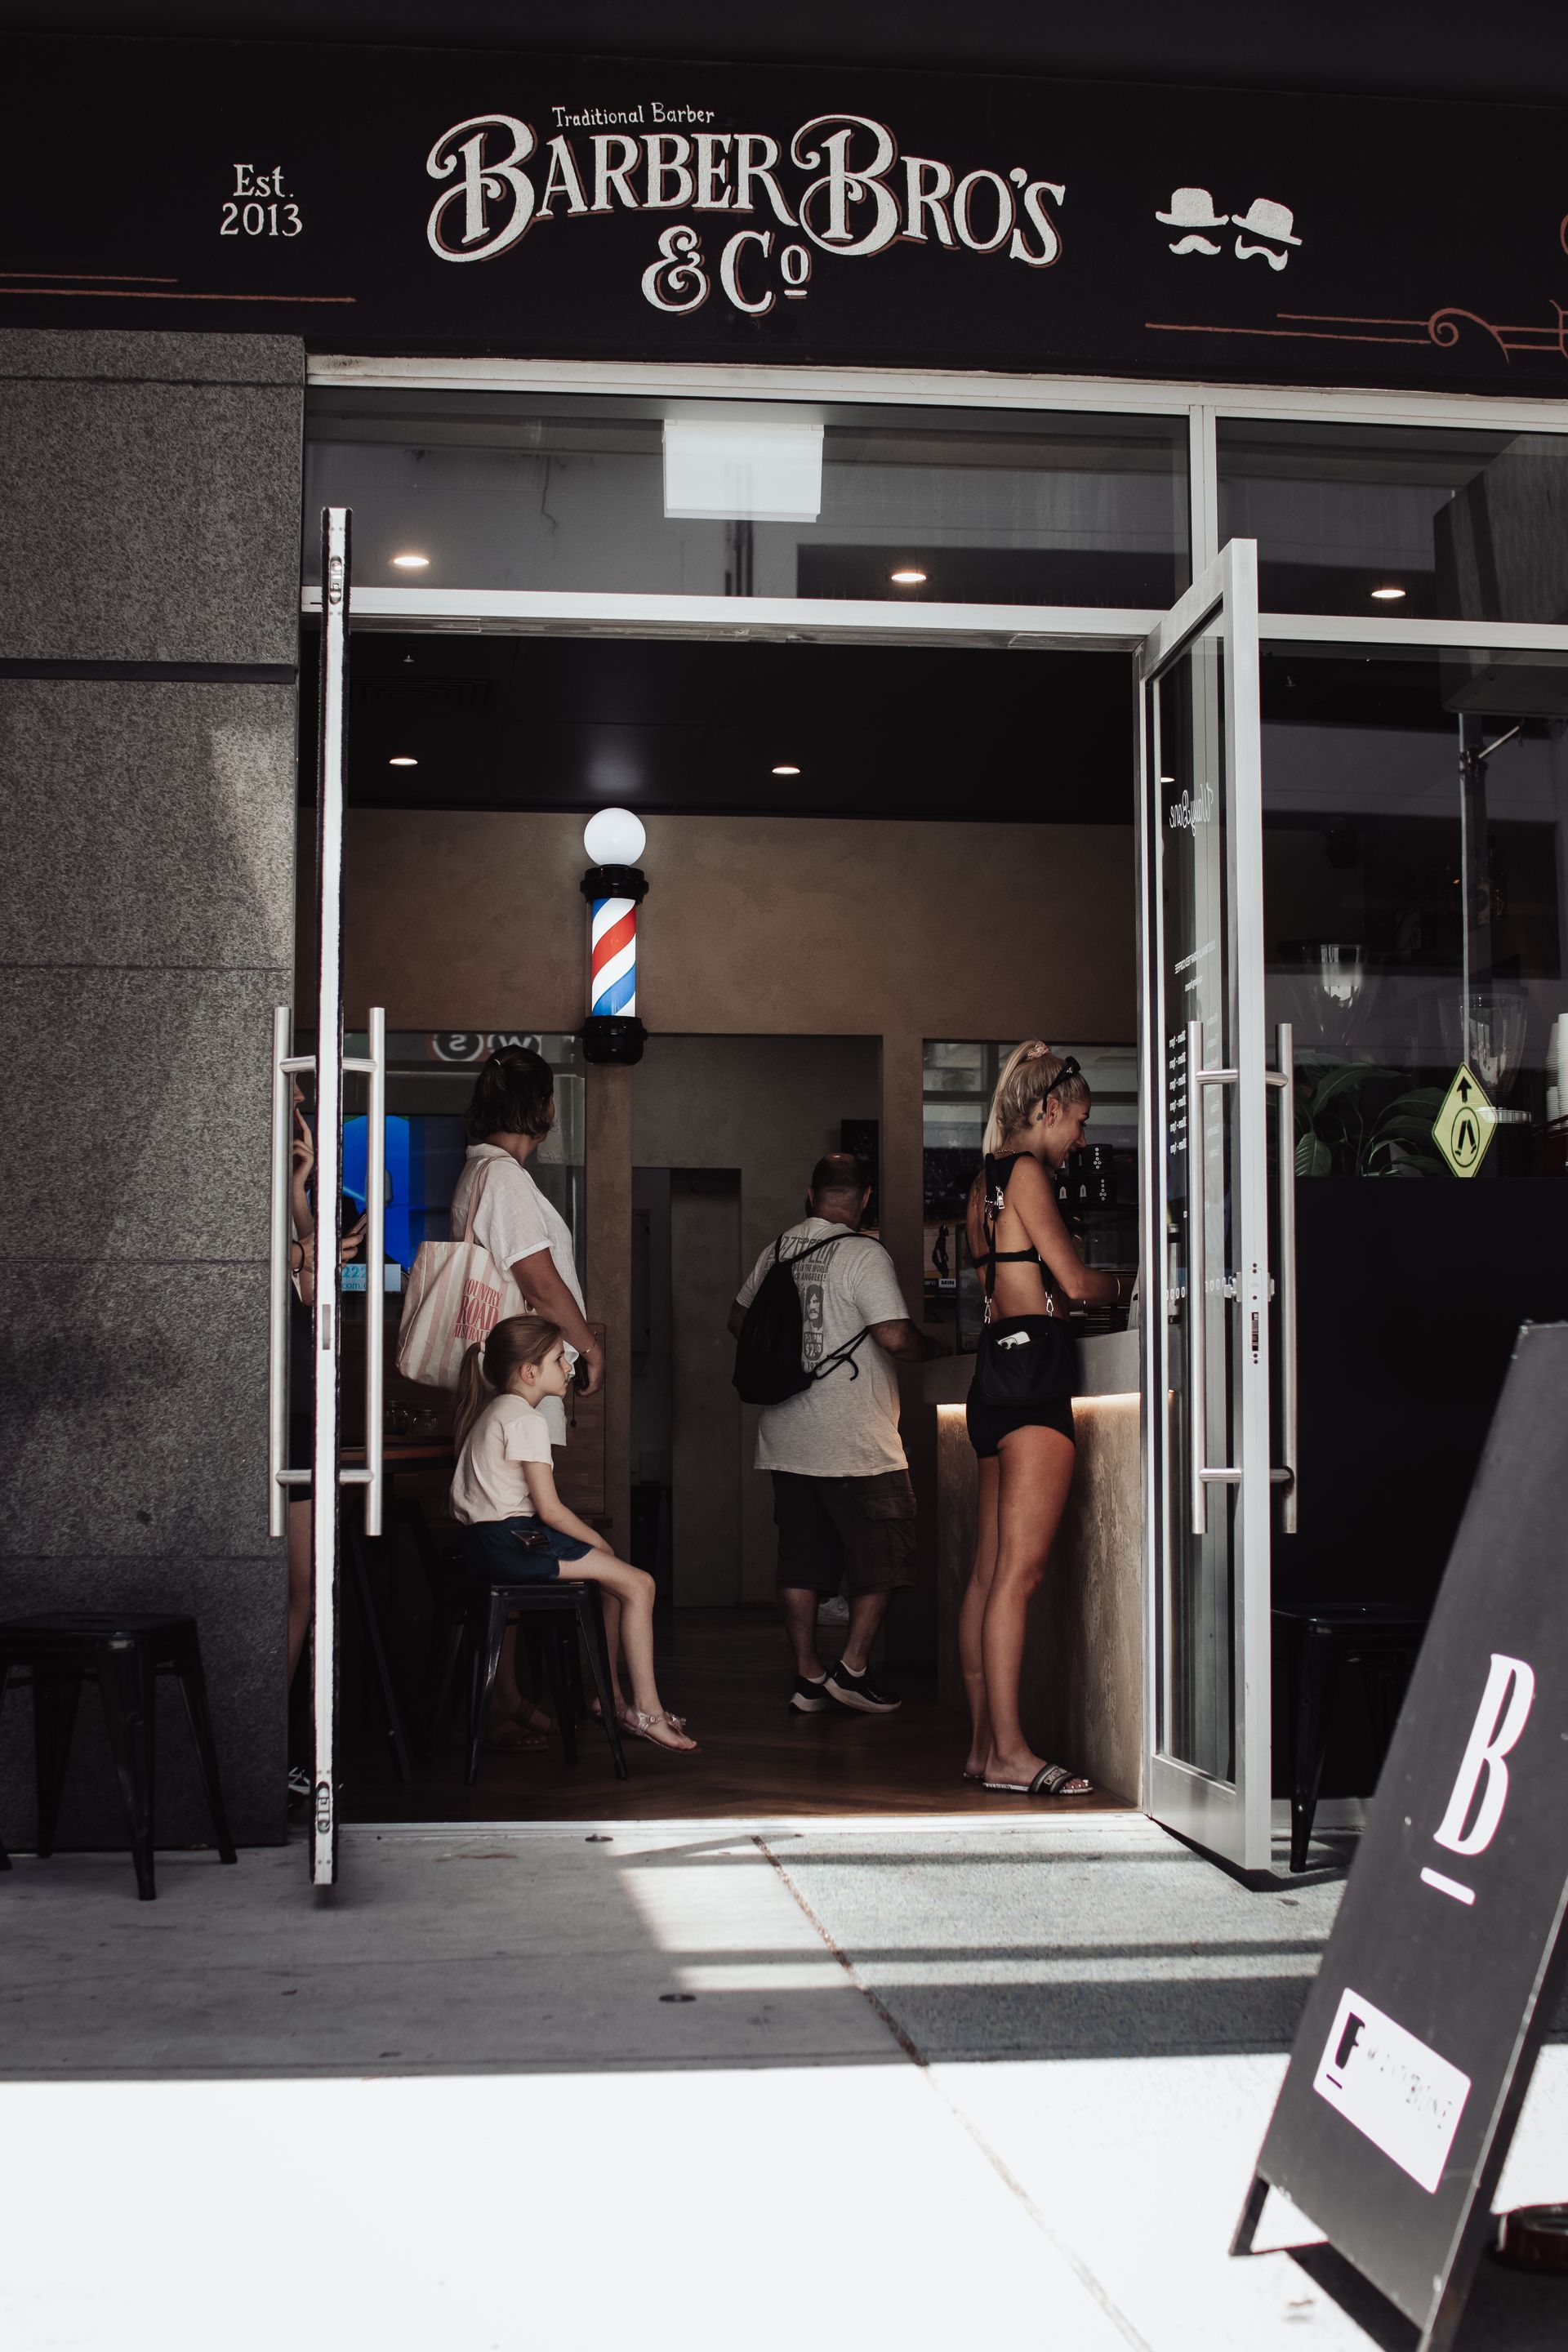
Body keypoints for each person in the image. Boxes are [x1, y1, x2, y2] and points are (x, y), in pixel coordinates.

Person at [959, 1043, 1131, 1798]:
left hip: (994, 1380)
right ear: (1049, 1109)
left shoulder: (982, 1182)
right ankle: (1010, 1754)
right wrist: (1147, 1279)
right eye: (1081, 1123)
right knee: (1018, 1580)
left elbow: (1013, 1280)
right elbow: (1075, 1282)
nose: (1082, 1141)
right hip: (1035, 1386)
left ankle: (981, 1748)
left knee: (990, 1576)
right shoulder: (1029, 1174)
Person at [729, 1153, 939, 1715]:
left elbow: (738, 1319)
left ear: (810, 1192)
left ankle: (807, 1676)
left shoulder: (779, 1249)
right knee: (885, 1556)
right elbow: (894, 1336)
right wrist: (939, 1349)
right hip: (856, 1440)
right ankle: (852, 1669)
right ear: (865, 1197)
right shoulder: (864, 1253)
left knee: (800, 1561)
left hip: (786, 1435)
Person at [450, 1316, 696, 1754]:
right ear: (530, 1372)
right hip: (513, 1542)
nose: (568, 1367)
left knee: (613, 1584)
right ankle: (649, 1712)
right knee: (640, 1583)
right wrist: (599, 1545)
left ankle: (612, 1701)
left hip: (487, 1545)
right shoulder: (525, 1420)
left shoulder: (495, 1410)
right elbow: (549, 1509)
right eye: (558, 1359)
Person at [452, 1045, 602, 1744]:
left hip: (502, 1381)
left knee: (506, 1528)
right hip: (520, 1381)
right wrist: (589, 1344)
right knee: (522, 1528)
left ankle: (505, 1690)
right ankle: (508, 1694)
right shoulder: (504, 1177)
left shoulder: (480, 1169)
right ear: (542, 1110)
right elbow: (538, 1282)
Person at [285, 1079, 366, 1802]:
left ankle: (281, 1749)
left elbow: (312, 1289)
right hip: (284, 1433)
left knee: (306, 1598)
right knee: (299, 1599)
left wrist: (308, 1199)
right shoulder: (274, 1242)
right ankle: (271, 1747)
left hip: (301, 1432)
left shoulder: (302, 1223)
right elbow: (302, 1276)